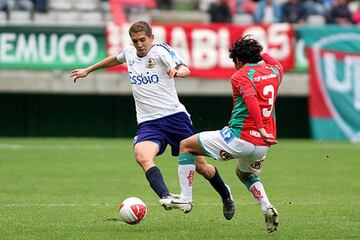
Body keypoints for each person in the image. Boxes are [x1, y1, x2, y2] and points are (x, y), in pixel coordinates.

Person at [70, 21, 235, 220]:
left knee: (202, 167)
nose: (139, 44)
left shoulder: (161, 51)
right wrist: (89, 69)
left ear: (151, 38)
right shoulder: (130, 53)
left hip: (175, 118)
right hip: (149, 122)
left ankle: (225, 194)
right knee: (142, 156)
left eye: (142, 40)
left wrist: (177, 72)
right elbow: (115, 58)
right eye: (135, 41)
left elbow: (185, 69)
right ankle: (167, 196)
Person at [161, 35, 282, 233]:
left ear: (239, 60)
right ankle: (266, 206)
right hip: (263, 144)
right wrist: (259, 52)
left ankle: (186, 198)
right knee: (244, 174)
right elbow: (273, 61)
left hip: (239, 138)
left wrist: (258, 126)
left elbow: (250, 99)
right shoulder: (275, 71)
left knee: (186, 145)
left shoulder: (240, 76)